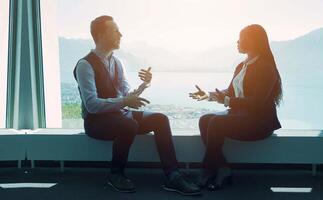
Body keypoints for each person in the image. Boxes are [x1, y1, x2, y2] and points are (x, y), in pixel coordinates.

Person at [73, 15, 201, 196]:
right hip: (96, 122)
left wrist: (143, 85)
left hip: (120, 116)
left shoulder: (117, 62)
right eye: (115, 31)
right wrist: (124, 102)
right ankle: (116, 174)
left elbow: (126, 95)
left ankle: (173, 175)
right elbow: (92, 105)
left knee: (160, 119)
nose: (121, 34)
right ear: (101, 35)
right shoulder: (84, 65)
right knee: (129, 125)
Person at [189, 24, 283, 191]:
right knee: (205, 120)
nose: (237, 41)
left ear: (252, 41)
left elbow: (256, 102)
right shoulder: (242, 65)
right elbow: (231, 92)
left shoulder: (266, 68)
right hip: (240, 116)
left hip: (259, 122)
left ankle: (208, 170)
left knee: (216, 123)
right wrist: (208, 94)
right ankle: (223, 168)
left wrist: (227, 101)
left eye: (241, 38)